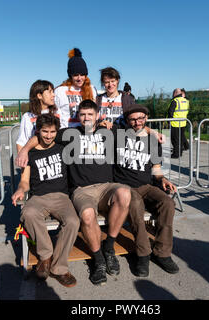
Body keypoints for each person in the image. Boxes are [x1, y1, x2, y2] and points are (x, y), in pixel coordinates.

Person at [17, 99, 132, 286]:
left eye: (90, 114)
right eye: (83, 114)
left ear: (98, 116)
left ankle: (109, 248)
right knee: (85, 214)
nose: (86, 118)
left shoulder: (108, 132)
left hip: (106, 187)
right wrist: (25, 151)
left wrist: (155, 133)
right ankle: (99, 260)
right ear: (78, 116)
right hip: (82, 190)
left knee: (125, 193)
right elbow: (44, 134)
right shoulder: (70, 134)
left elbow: (138, 132)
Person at [11, 114, 80, 287]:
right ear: (37, 131)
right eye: (45, 131)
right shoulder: (31, 154)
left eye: (52, 132)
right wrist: (20, 189)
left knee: (72, 221)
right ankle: (46, 255)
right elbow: (25, 181)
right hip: (38, 197)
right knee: (28, 213)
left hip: (61, 197)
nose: (49, 136)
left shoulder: (62, 147)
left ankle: (59, 268)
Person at [114, 103, 179, 277]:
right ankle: (143, 254)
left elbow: (156, 168)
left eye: (140, 118)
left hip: (146, 185)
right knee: (135, 204)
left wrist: (163, 178)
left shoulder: (152, 141)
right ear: (127, 121)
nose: (137, 123)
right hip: (124, 186)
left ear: (146, 119)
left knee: (167, 203)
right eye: (132, 119)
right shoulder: (118, 135)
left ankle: (162, 253)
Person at [55, 48, 98, 129]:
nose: (79, 78)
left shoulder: (92, 89)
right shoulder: (60, 91)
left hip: (86, 132)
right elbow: (55, 115)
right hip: (66, 133)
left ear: (85, 75)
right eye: (75, 75)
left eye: (82, 74)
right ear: (70, 76)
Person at [16, 80, 56, 153]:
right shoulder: (27, 116)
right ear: (39, 96)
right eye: (50, 92)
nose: (53, 95)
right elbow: (21, 142)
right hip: (36, 158)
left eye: (53, 92)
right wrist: (25, 163)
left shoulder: (57, 113)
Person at [168, 88, 190, 158]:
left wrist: (169, 121)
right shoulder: (186, 101)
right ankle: (180, 151)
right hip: (183, 122)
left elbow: (170, 112)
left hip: (175, 123)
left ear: (175, 93)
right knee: (180, 138)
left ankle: (176, 154)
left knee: (175, 139)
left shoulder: (175, 101)